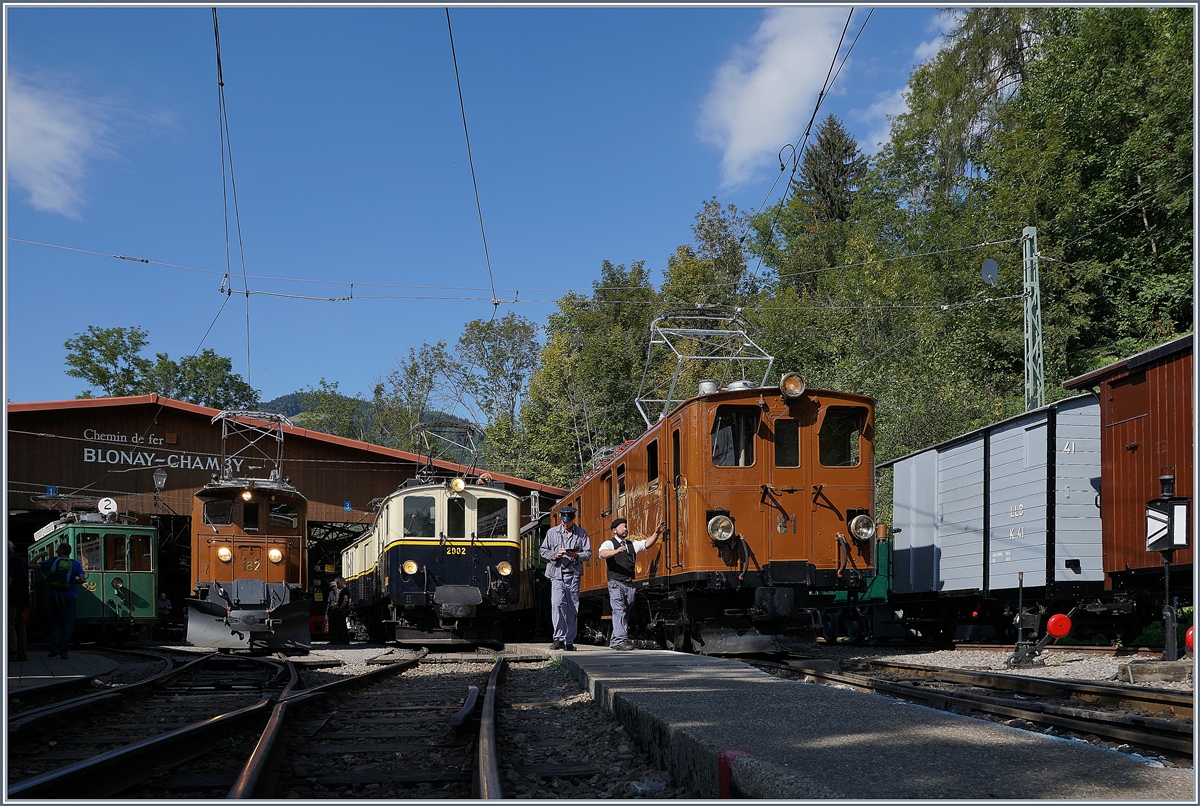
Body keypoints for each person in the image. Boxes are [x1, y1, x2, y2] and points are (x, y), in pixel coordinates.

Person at [597, 519, 664, 650]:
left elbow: (646, 544)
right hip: (615, 583)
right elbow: (602, 553)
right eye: (622, 527)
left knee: (625, 611)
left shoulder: (631, 544)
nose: (625, 529)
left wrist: (656, 533)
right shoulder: (610, 543)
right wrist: (615, 552)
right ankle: (621, 640)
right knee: (619, 610)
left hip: (629, 584)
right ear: (614, 530)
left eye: (626, 527)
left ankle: (615, 640)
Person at [538, 505, 591, 650]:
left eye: (568, 521)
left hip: (573, 575)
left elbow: (588, 553)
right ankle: (558, 638)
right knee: (558, 605)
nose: (565, 523)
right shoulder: (552, 532)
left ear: (573, 519)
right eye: (563, 521)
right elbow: (543, 551)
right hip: (556, 575)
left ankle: (569, 641)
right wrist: (556, 554)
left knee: (572, 608)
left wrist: (576, 555)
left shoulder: (581, 533)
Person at [39, 542, 86, 660]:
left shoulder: (53, 562)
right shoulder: (75, 563)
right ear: (69, 552)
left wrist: (40, 556)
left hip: (55, 596)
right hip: (70, 597)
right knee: (68, 624)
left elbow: (30, 565)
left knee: (55, 623)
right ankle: (64, 652)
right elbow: (83, 579)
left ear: (59, 551)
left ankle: (54, 650)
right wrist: (71, 581)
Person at [8, 540, 30, 662]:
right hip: (23, 597)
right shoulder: (21, 560)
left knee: (10, 625)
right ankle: (23, 653)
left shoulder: (8, 559)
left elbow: (9, 579)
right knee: (20, 625)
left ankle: (13, 653)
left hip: (12, 597)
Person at [326, 577, 351, 645]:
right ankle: (337, 639)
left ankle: (344, 640)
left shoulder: (343, 591)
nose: (338, 584)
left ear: (342, 583)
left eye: (338, 583)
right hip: (335, 610)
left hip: (341, 609)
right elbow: (328, 602)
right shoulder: (331, 593)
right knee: (337, 625)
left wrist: (340, 607)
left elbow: (345, 600)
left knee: (342, 625)